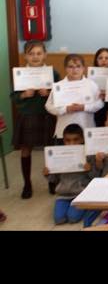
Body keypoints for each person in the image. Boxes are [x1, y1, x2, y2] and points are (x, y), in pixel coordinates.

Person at [11, 40, 60, 199]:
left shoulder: (53, 73)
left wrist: (49, 93)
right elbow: (13, 97)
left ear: (45, 55)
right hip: (27, 116)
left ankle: (52, 181)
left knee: (49, 149)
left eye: (39, 53)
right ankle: (27, 184)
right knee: (26, 149)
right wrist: (24, 94)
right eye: (31, 54)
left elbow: (62, 93)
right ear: (25, 56)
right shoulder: (20, 74)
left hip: (47, 115)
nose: (35, 57)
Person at [43, 123, 96, 226]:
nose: (72, 143)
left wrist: (89, 169)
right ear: (64, 141)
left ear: (82, 139)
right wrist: (47, 174)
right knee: (59, 219)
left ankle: (87, 206)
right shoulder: (59, 155)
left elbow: (95, 177)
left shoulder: (88, 155)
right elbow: (54, 179)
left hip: (81, 194)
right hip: (63, 195)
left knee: (73, 218)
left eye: (76, 139)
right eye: (68, 140)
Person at [45, 54, 102, 142]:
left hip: (86, 128)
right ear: (65, 68)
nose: (75, 70)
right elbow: (48, 106)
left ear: (83, 68)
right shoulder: (59, 86)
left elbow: (100, 104)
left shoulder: (91, 84)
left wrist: (84, 107)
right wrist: (65, 109)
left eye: (78, 66)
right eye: (71, 67)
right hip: (64, 129)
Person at [93, 47, 108, 127]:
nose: (103, 60)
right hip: (96, 109)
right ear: (96, 60)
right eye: (100, 58)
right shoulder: (90, 76)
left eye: (107, 58)